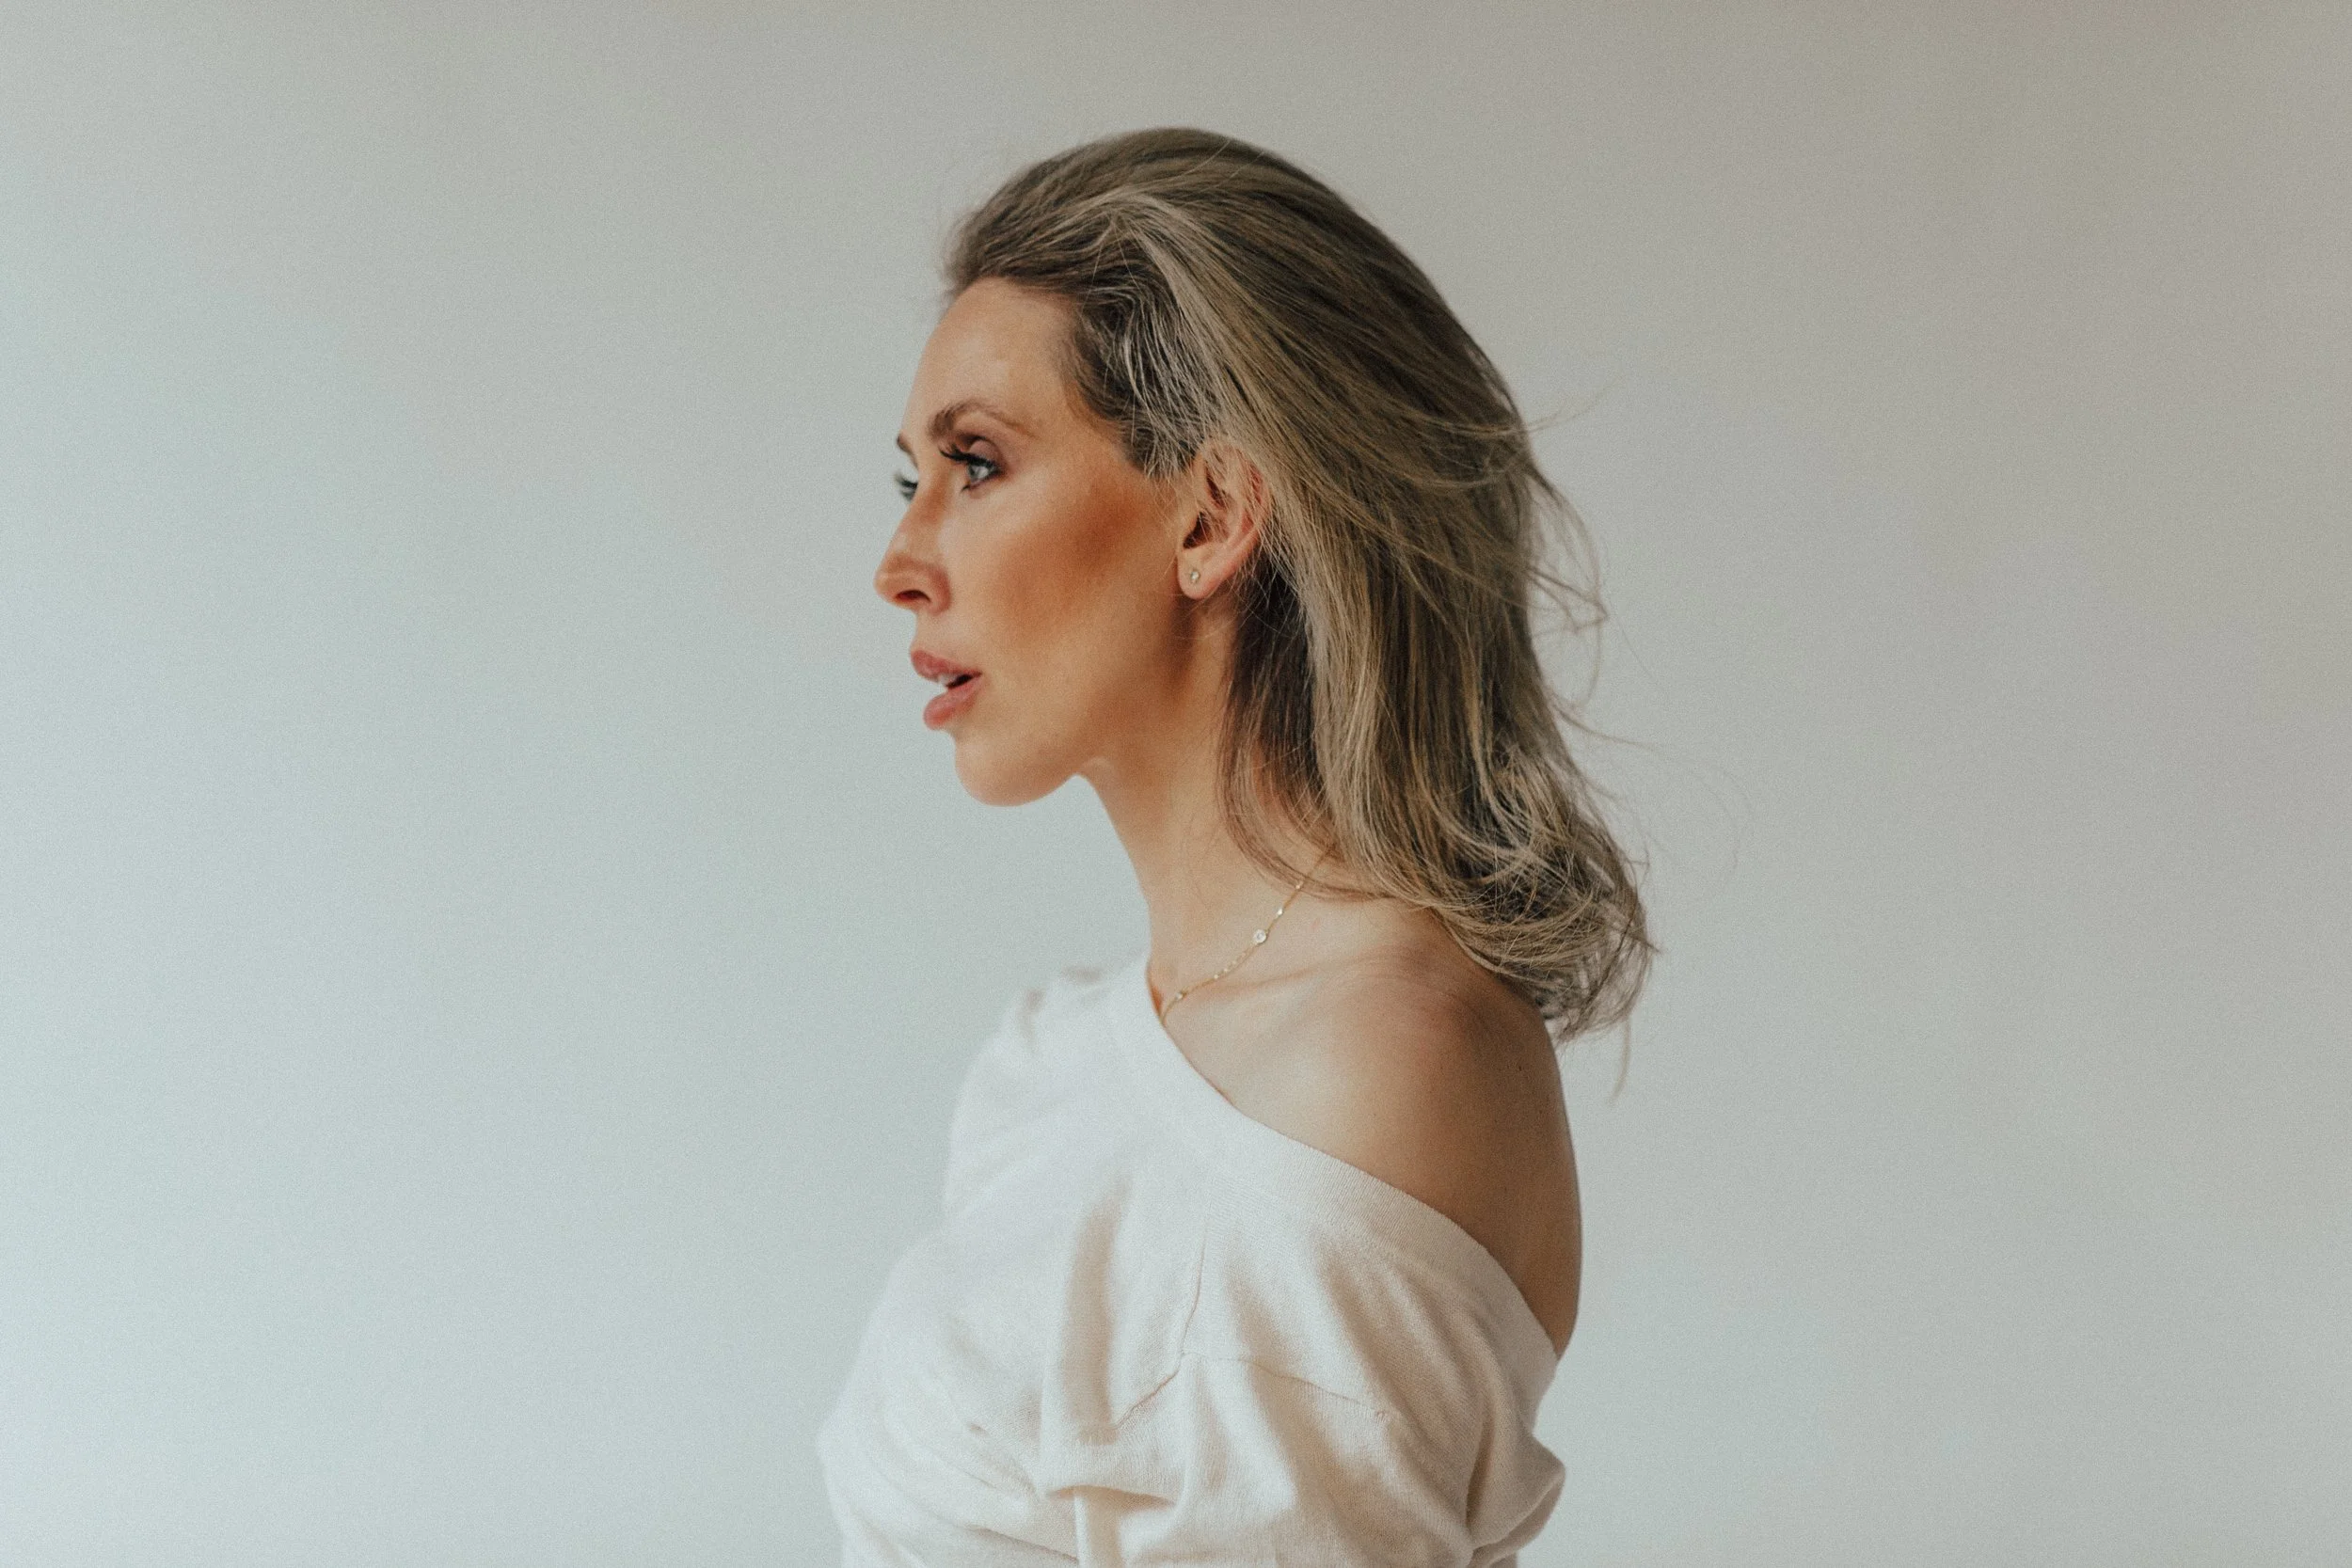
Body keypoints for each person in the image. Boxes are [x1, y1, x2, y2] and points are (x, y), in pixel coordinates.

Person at [818, 127, 1650, 1565]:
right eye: (912, 480)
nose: (901, 560)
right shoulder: (1058, 1057)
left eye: (977, 462)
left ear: (1209, 517)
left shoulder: (1374, 1065)